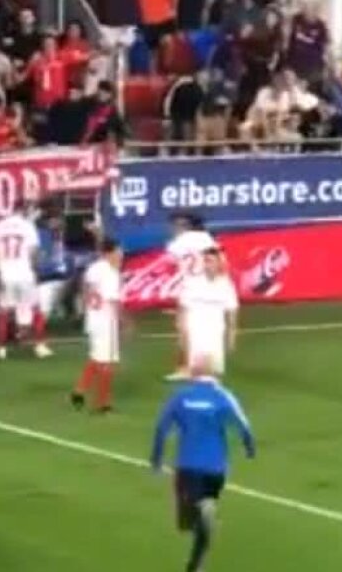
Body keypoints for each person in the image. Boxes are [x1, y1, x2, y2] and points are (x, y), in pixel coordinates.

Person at [150, 356, 256, 572]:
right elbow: (243, 425)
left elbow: (161, 428)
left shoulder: (181, 397)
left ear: (192, 374)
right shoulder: (223, 396)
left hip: (188, 466)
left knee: (185, 522)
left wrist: (157, 460)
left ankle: (199, 512)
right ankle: (195, 564)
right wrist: (249, 448)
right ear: (214, 374)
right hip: (216, 469)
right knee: (204, 513)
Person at [0, 204, 52, 361]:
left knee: (3, 312)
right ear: (22, 210)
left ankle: (1, 349)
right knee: (35, 309)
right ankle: (40, 346)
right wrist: (33, 268)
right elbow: (34, 251)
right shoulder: (27, 226)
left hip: (6, 273)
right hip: (24, 273)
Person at [73, 237, 123, 413]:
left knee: (97, 356)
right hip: (106, 319)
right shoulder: (110, 272)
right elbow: (113, 301)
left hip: (92, 319)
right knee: (107, 362)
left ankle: (79, 389)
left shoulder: (93, 269)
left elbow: (85, 288)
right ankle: (103, 403)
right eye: (118, 251)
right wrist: (124, 322)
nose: (121, 254)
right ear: (109, 253)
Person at [165, 214, 217, 380]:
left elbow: (170, 257)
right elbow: (216, 261)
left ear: (183, 226)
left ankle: (185, 368)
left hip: (190, 290)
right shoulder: (207, 238)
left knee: (184, 329)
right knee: (204, 330)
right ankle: (206, 367)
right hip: (207, 290)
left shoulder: (180, 241)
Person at [177, 247, 239, 378]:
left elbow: (232, 311)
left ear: (218, 263)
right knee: (196, 372)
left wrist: (231, 336)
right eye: (206, 261)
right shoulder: (193, 283)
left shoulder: (226, 285)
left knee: (215, 373)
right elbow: (183, 309)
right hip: (196, 335)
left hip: (215, 335)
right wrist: (182, 332)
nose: (208, 264)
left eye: (211, 261)